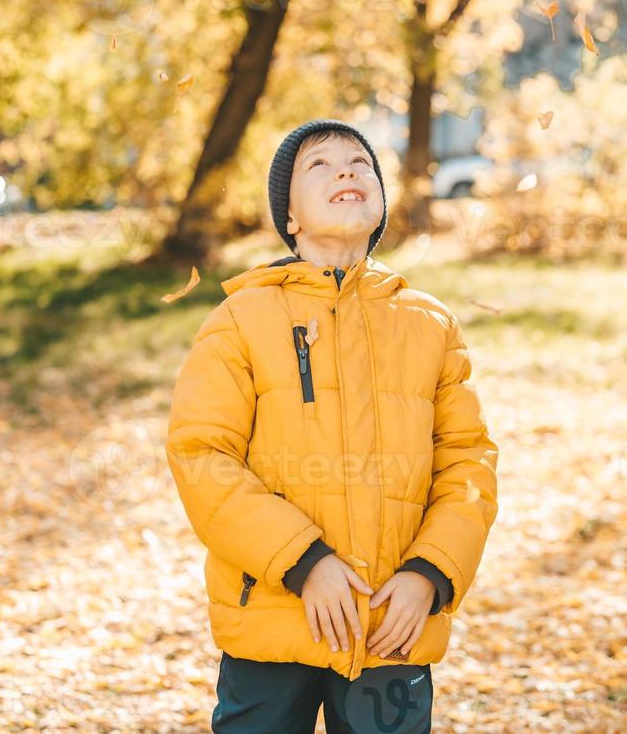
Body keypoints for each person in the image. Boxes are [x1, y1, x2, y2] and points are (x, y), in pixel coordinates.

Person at [166, 119, 499, 733]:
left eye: (360, 163)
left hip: (391, 621)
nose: (346, 171)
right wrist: (304, 560)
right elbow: (201, 456)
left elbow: (468, 464)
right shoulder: (240, 319)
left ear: (379, 202)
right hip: (272, 613)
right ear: (288, 216)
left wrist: (431, 574)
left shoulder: (431, 325)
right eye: (319, 166)